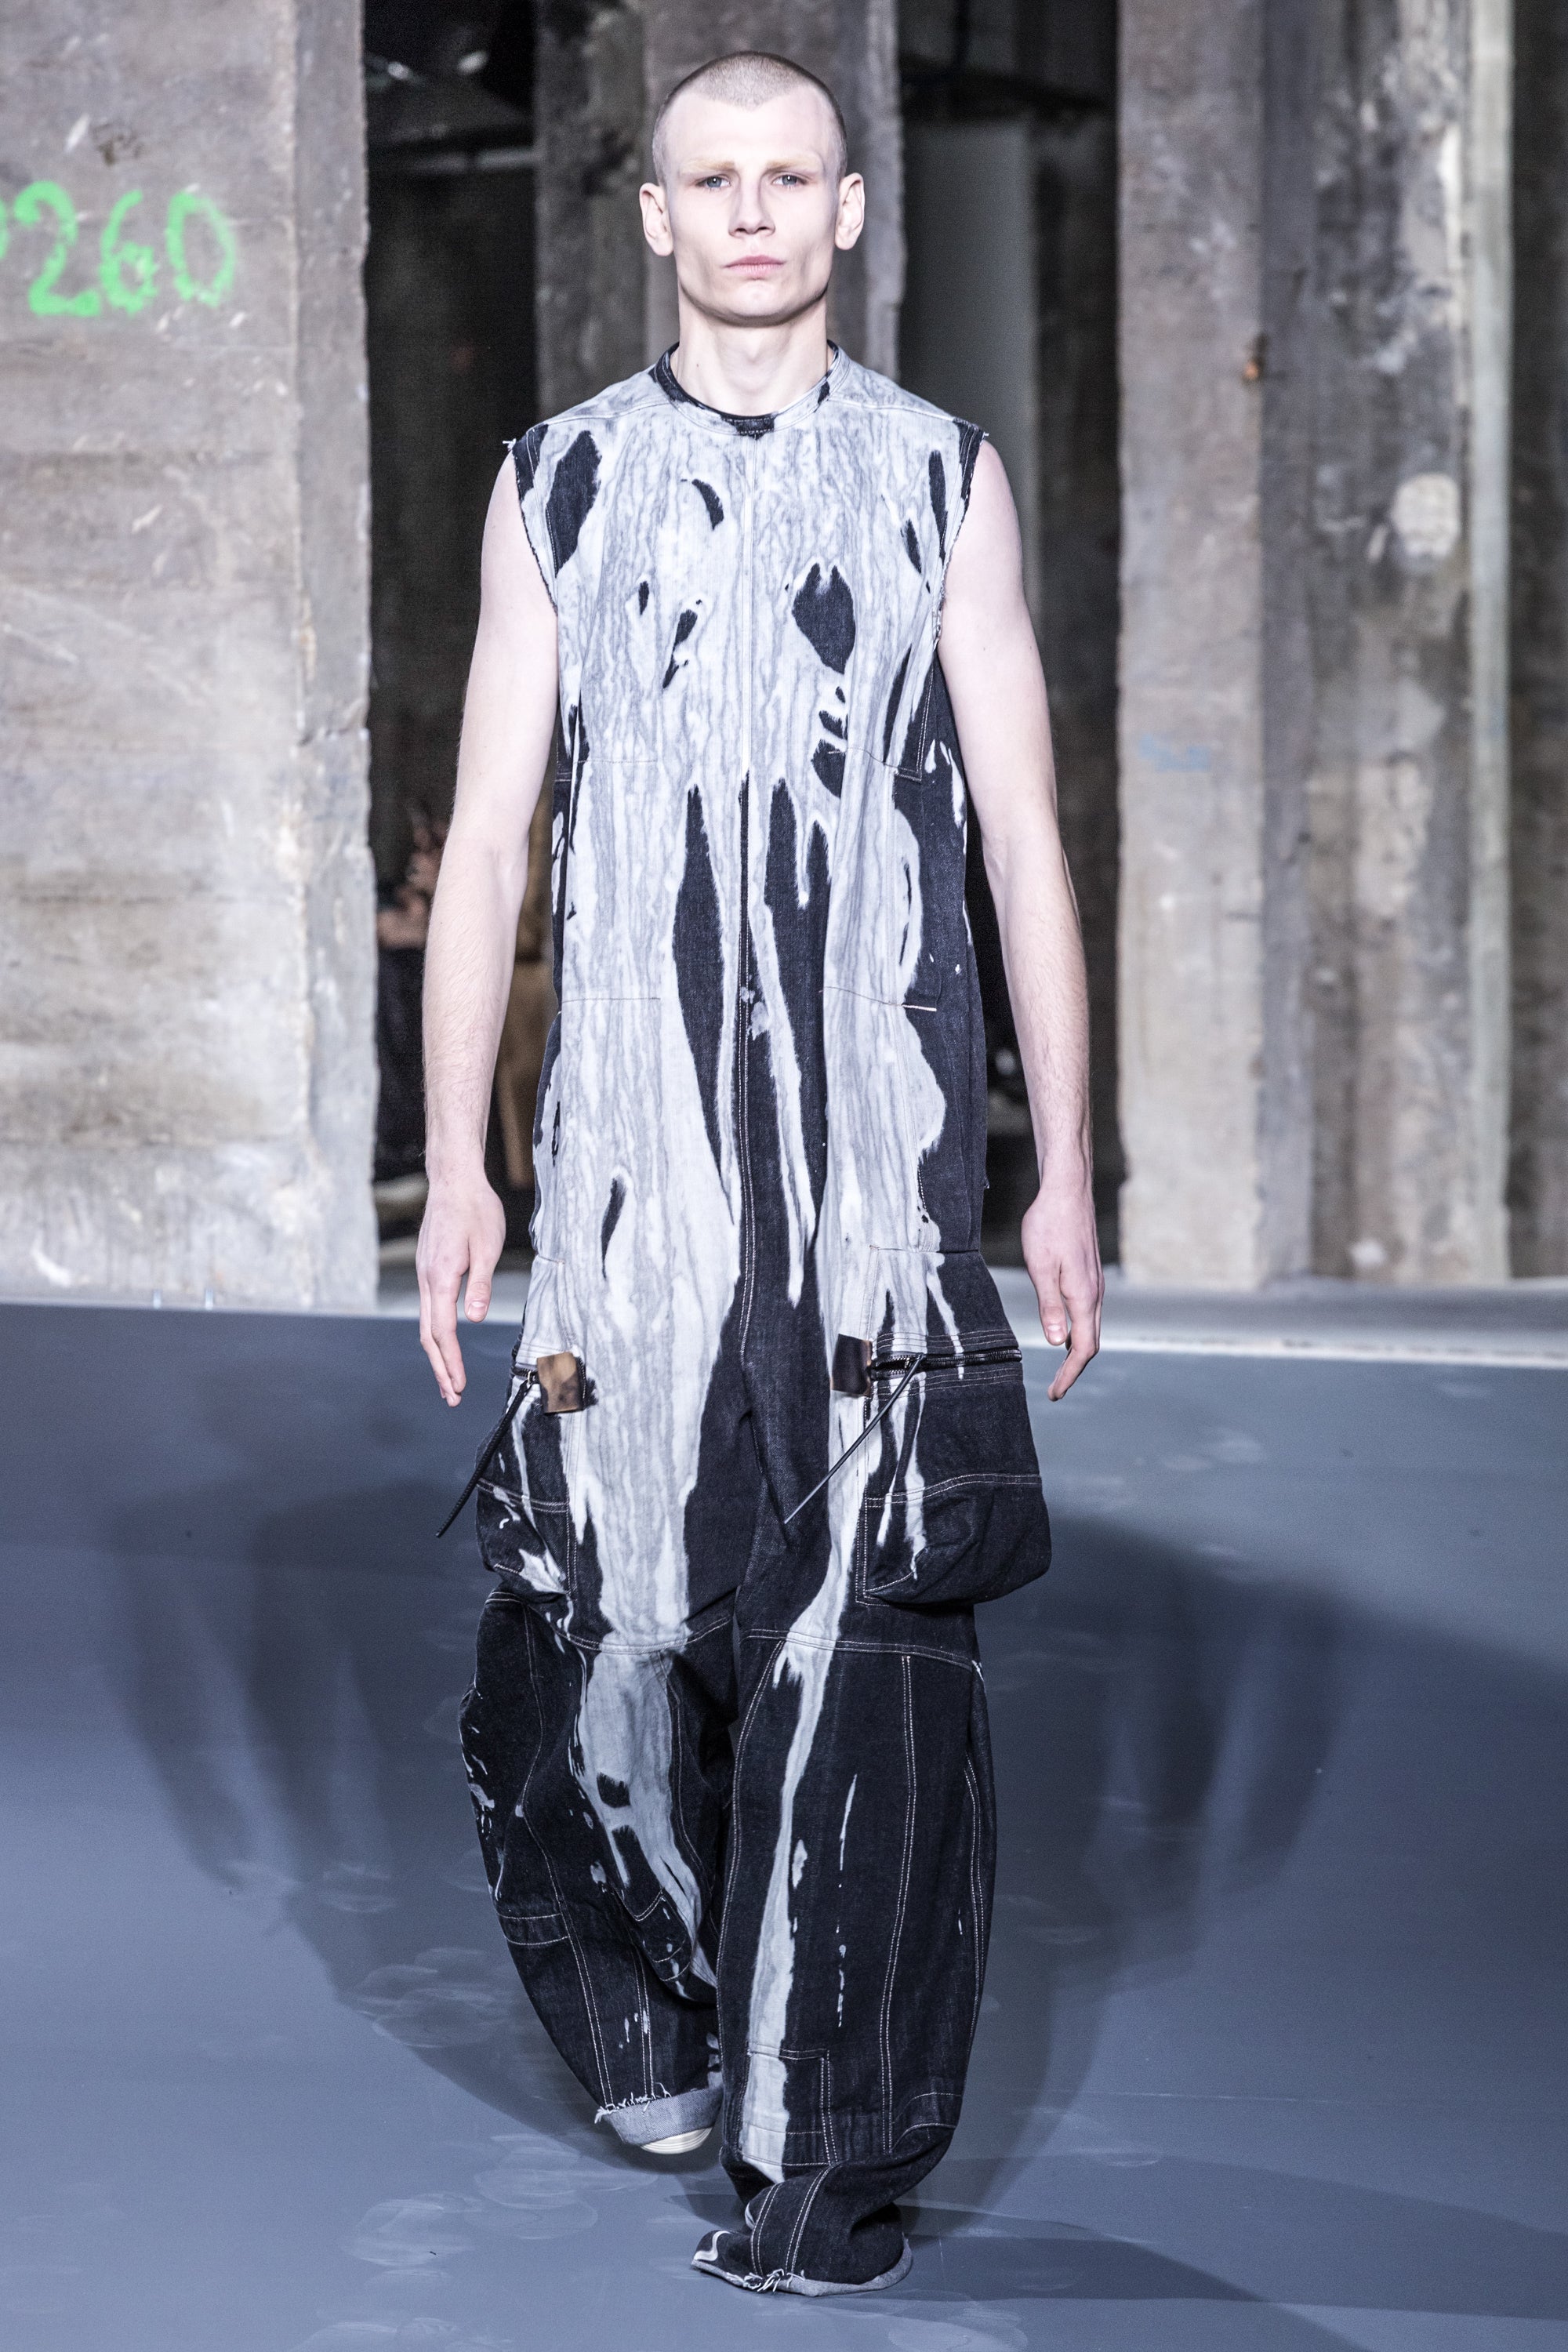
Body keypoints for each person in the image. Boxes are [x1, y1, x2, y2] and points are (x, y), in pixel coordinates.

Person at [416, 49, 1102, 2298]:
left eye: (788, 176)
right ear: (655, 216)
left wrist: (1065, 1171)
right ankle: (662, 2028)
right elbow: (489, 840)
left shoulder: (941, 481)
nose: (749, 212)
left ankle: (835, 2165)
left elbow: (1022, 837)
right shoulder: (557, 484)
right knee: (597, 1627)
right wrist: (459, 1160)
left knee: (868, 1647)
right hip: (624, 1179)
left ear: (847, 210)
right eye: (710, 178)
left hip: (874, 1184)